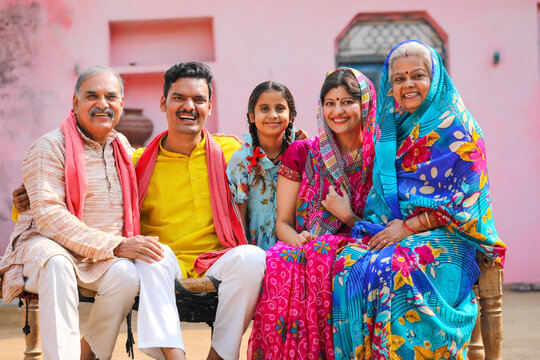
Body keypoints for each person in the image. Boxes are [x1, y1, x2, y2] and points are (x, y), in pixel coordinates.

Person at [332, 40, 507, 359]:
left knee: (394, 269)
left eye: (417, 75)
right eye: (399, 78)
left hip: (451, 237)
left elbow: (466, 203)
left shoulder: (459, 129)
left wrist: (409, 228)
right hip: (393, 231)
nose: (408, 84)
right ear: (390, 85)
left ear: (435, 77)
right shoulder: (391, 130)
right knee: (346, 268)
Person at [0, 66, 186, 360]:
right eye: (92, 96)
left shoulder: (121, 146)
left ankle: (89, 354)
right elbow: (49, 217)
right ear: (75, 103)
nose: (103, 104)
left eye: (111, 97)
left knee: (126, 274)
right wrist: (117, 245)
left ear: (121, 104)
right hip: (44, 249)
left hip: (96, 255)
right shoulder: (49, 147)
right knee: (58, 261)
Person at [134, 62, 266, 360]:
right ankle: (175, 356)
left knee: (252, 258)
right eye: (179, 97)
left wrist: (299, 143)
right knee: (151, 254)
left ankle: (219, 356)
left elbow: (277, 163)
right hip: (165, 263)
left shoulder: (233, 151)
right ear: (163, 103)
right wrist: (30, 198)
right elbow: (97, 191)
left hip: (216, 259)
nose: (188, 106)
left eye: (198, 99)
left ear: (209, 106)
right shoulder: (138, 163)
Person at [248, 68, 377, 359]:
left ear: (365, 104)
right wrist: (298, 241)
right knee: (279, 264)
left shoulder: (380, 156)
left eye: (346, 102)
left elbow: (382, 227)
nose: (337, 111)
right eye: (329, 103)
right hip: (304, 246)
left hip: (360, 246)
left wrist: (346, 217)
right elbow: (283, 223)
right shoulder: (302, 153)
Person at [226, 81, 297, 250]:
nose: (273, 115)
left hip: (294, 245)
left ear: (291, 115)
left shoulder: (299, 153)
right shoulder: (241, 159)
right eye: (264, 109)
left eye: (280, 108)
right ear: (252, 116)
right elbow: (239, 218)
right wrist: (245, 256)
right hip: (257, 252)